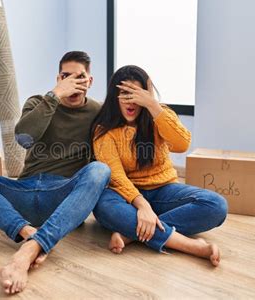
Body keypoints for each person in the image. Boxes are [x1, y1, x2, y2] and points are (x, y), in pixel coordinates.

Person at [0, 51, 110, 294]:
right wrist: (55, 95)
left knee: (100, 170)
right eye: (66, 77)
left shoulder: (97, 111)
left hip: (61, 195)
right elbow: (24, 138)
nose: (73, 84)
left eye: (80, 77)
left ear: (90, 81)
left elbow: (107, 156)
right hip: (22, 192)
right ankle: (26, 231)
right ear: (58, 78)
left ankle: (30, 248)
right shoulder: (39, 102)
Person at [91, 65, 227, 266]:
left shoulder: (159, 115)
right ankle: (191, 246)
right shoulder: (104, 130)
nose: (131, 101)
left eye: (137, 94)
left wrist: (153, 106)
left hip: (163, 190)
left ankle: (132, 233)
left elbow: (182, 144)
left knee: (216, 206)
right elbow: (116, 177)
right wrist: (142, 205)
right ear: (114, 97)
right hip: (124, 195)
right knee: (102, 206)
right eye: (125, 94)